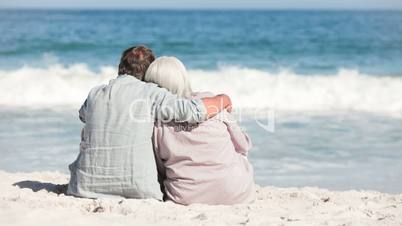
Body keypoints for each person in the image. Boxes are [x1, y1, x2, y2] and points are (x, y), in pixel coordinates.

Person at [67, 46, 232, 200]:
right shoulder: (151, 93)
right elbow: (192, 111)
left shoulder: (95, 93)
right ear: (148, 73)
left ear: (120, 67)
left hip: (83, 187)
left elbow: (83, 116)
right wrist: (223, 99)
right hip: (138, 189)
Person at [144, 56, 255, 205]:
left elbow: (160, 168)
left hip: (185, 198)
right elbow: (243, 145)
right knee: (240, 155)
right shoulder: (212, 103)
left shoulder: (157, 123)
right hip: (237, 195)